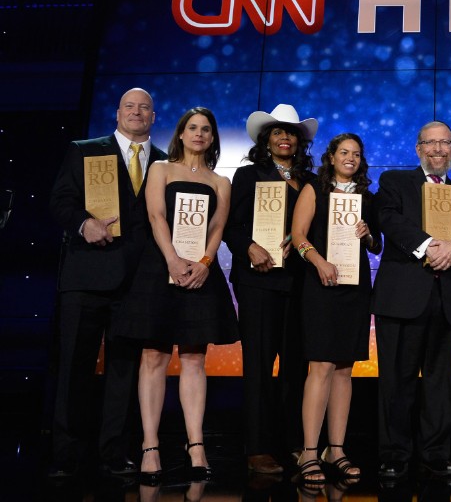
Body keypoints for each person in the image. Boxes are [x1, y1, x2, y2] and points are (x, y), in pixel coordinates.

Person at [115, 106, 239, 483]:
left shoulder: (221, 182)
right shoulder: (161, 169)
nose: (199, 134)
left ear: (212, 138)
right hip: (160, 270)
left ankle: (195, 444)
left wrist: (203, 262)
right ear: (181, 134)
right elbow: (156, 216)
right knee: (153, 356)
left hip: (201, 273)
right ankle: (150, 445)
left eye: (206, 129)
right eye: (192, 128)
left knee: (194, 358)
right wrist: (171, 259)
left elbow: (218, 226)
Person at [48, 87, 167, 477]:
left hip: (138, 283)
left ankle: (114, 453)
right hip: (86, 277)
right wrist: (84, 224)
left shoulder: (166, 163)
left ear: (153, 117)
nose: (136, 112)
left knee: (124, 370)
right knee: (73, 369)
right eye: (129, 107)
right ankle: (66, 455)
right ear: (117, 113)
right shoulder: (85, 150)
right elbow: (60, 201)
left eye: (144, 108)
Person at [371, 121, 451, 478]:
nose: (438, 150)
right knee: (396, 380)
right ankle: (394, 453)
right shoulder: (394, 182)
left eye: (445, 143)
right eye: (430, 143)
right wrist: (429, 246)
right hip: (403, 296)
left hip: (447, 299)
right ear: (418, 148)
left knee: (441, 383)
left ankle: (436, 452)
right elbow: (387, 219)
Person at [224, 104, 318, 474]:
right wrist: (248, 247)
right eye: (277, 132)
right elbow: (231, 226)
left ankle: (290, 443)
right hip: (258, 281)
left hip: (300, 284)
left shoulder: (311, 181)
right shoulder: (248, 176)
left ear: (299, 142)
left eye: (290, 133)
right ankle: (258, 448)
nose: (284, 138)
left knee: (296, 367)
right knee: (260, 367)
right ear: (266, 140)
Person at [291, 133, 381, 484]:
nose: (350, 158)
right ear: (330, 157)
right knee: (321, 366)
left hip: (354, 288)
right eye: (344, 152)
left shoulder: (366, 198)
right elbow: (298, 235)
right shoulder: (315, 189)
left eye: (356, 153)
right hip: (321, 285)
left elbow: (375, 246)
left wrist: (368, 233)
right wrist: (318, 262)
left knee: (345, 369)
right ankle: (309, 453)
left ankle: (337, 449)